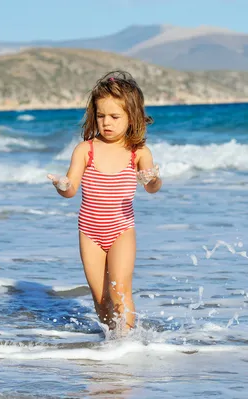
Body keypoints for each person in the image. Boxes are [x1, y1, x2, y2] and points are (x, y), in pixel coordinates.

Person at [47, 71, 162, 332]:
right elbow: (71, 189)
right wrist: (62, 186)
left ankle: (128, 344)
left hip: (122, 229)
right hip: (90, 232)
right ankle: (111, 344)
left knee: (120, 290)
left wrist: (151, 180)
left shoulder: (139, 152)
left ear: (132, 117)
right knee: (101, 300)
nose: (106, 122)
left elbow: (153, 188)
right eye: (100, 116)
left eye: (114, 116)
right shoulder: (85, 150)